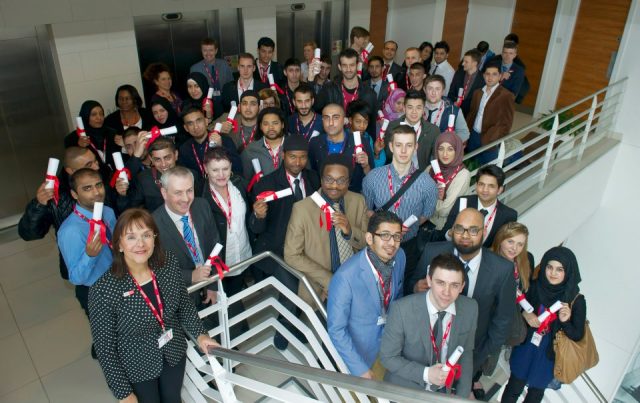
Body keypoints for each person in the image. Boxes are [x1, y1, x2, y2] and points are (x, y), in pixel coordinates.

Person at [89, 208, 218, 402]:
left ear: (154, 239)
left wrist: (200, 334)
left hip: (173, 352)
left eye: (146, 235)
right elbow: (105, 348)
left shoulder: (167, 265)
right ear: (119, 245)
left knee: (173, 398)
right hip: (137, 365)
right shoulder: (104, 290)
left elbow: (183, 305)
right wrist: (123, 392)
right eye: (131, 237)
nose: (140, 244)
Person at [413, 208, 516, 399]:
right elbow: (412, 286)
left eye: (473, 230)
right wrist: (415, 288)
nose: (466, 235)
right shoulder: (432, 252)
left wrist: (476, 358)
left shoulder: (502, 270)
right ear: (452, 231)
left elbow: (503, 321)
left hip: (471, 351)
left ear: (483, 233)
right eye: (460, 229)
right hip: (425, 347)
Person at [249, 134, 320, 349]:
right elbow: (255, 228)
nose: (297, 163)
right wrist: (258, 216)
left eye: (302, 157)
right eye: (292, 157)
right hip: (278, 249)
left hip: (308, 245)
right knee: (291, 290)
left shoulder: (314, 179)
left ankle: (294, 324)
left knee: (307, 286)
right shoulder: (266, 183)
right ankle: (284, 329)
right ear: (282, 155)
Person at [380, 253, 478, 396]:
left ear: (462, 286)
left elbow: (466, 353)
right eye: (441, 283)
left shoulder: (471, 308)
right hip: (404, 390)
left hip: (444, 391)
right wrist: (426, 374)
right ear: (429, 280)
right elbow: (387, 357)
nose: (447, 292)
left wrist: (461, 398)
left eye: (454, 285)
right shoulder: (402, 309)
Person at [328, 211, 406, 380]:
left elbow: (398, 295)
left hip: (389, 344)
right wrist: (359, 368)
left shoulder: (400, 257)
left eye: (397, 236)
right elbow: (336, 330)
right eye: (385, 236)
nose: (392, 243)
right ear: (369, 239)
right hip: (360, 352)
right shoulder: (345, 277)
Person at [502, 246, 586, 403]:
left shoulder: (576, 300)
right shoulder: (534, 286)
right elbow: (516, 307)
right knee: (514, 386)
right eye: (549, 267)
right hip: (527, 345)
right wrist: (524, 313)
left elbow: (577, 335)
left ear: (568, 272)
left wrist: (565, 321)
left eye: (560, 269)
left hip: (549, 354)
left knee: (535, 394)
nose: (553, 273)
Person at [284, 154, 369, 306]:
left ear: (349, 182)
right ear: (321, 179)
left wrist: (350, 231)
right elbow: (291, 255)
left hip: (354, 284)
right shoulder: (302, 209)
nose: (334, 186)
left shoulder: (358, 201)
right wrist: (329, 281)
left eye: (341, 180)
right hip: (320, 288)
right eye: (329, 179)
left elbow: (367, 244)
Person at [362, 124, 438, 294]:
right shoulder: (373, 178)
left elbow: (426, 214)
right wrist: (386, 229)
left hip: (408, 245)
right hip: (379, 243)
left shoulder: (427, 183)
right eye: (398, 145)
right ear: (390, 146)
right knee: (375, 285)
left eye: (409, 145)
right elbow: (366, 209)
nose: (403, 151)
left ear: (416, 147)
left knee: (404, 284)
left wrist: (408, 226)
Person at [19, 148, 111, 281]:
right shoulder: (55, 197)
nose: (96, 167)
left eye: (96, 161)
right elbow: (29, 234)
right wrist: (38, 205)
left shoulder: (101, 178)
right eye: (89, 165)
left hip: (113, 262)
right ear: (70, 171)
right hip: (84, 268)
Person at [58, 168, 116, 357]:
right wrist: (90, 255)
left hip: (118, 278)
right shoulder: (71, 231)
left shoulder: (107, 212)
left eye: (98, 185)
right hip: (95, 290)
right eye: (87, 188)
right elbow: (75, 277)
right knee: (107, 339)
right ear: (75, 194)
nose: (96, 192)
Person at [152, 166, 220, 307]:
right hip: (181, 298)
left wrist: (213, 284)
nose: (186, 199)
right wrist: (191, 276)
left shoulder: (202, 205)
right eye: (178, 193)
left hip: (211, 284)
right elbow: (155, 269)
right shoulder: (152, 225)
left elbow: (215, 244)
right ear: (164, 193)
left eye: (189, 190)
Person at [202, 146, 252, 296]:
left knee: (237, 295)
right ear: (205, 169)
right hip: (220, 264)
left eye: (225, 168)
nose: (221, 175)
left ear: (231, 166)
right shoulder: (200, 196)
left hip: (243, 255)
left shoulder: (240, 184)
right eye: (215, 170)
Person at [442, 164, 518, 248]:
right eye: (481, 184)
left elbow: (502, 247)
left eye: (491, 186)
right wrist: (451, 232)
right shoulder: (463, 202)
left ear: (500, 190)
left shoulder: (509, 215)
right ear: (476, 185)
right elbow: (444, 234)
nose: (485, 190)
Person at [120, 137, 203, 212]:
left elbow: (200, 206)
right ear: (151, 159)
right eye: (157, 159)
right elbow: (130, 210)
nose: (163, 164)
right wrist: (122, 195)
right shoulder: (144, 179)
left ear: (176, 155)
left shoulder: (191, 175)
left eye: (167, 158)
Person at [308, 103, 374, 192]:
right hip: (324, 198)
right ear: (322, 120)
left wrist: (366, 166)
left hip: (352, 198)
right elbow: (311, 175)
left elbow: (372, 177)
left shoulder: (361, 142)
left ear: (344, 120)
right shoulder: (315, 143)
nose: (330, 123)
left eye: (335, 117)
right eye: (327, 118)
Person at [314, 48, 377, 136]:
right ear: (339, 67)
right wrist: (310, 79)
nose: (348, 69)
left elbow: (371, 126)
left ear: (357, 65)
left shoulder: (369, 94)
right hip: (334, 140)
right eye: (344, 65)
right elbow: (313, 108)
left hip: (359, 142)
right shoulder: (329, 89)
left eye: (351, 65)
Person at [465, 62, 515, 164]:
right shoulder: (477, 92)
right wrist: (466, 134)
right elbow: (472, 114)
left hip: (490, 138)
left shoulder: (506, 95)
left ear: (500, 76)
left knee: (488, 169)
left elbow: (507, 124)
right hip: (473, 135)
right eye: (487, 74)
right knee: (471, 164)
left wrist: (494, 138)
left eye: (494, 74)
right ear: (483, 75)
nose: (490, 77)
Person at [178, 106, 242, 179]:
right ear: (186, 128)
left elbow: (238, 170)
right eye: (190, 124)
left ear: (206, 121)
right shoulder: (184, 149)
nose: (195, 127)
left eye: (199, 121)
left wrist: (220, 148)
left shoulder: (224, 140)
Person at [385, 90, 440, 170]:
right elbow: (388, 154)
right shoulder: (392, 126)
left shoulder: (433, 130)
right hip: (395, 172)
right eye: (410, 107)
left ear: (423, 109)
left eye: (418, 108)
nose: (414, 112)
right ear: (404, 108)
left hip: (421, 175)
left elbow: (435, 159)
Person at [428, 131, 471, 230]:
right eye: (441, 149)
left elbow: (444, 210)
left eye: (450, 149)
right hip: (423, 223)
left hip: (442, 228)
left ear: (457, 151)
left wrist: (426, 200)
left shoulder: (463, 175)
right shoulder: (430, 169)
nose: (445, 154)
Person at [64, 100, 119, 174]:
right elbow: (72, 161)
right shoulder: (74, 138)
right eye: (94, 115)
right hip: (89, 177)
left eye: (101, 114)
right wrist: (79, 146)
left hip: (115, 176)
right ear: (86, 116)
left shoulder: (111, 133)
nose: (99, 118)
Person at [190, 37, 234, 119]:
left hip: (225, 105)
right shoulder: (194, 69)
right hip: (206, 108)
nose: (208, 53)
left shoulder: (224, 65)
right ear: (201, 51)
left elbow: (231, 84)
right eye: (205, 50)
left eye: (211, 50)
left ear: (216, 51)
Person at [240, 107, 286, 181]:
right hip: (263, 191)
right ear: (260, 126)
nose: (271, 127)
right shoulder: (250, 150)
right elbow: (245, 181)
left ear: (282, 124)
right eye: (266, 124)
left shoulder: (294, 145)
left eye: (275, 123)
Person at [424, 75, 470, 142]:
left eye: (437, 89)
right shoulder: (417, 107)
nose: (433, 93)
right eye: (430, 88)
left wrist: (451, 140)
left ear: (443, 91)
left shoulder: (453, 110)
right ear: (424, 90)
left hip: (442, 150)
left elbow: (465, 133)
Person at [346, 100, 385, 168]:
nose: (362, 126)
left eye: (365, 122)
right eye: (358, 121)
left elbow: (376, 168)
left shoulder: (368, 138)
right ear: (350, 120)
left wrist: (376, 153)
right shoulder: (343, 137)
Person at [448, 49, 486, 118]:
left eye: (466, 62)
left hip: (471, 116)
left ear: (475, 63)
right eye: (463, 61)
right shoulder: (459, 73)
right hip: (455, 111)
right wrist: (453, 102)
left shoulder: (483, 79)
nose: (462, 64)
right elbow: (451, 92)